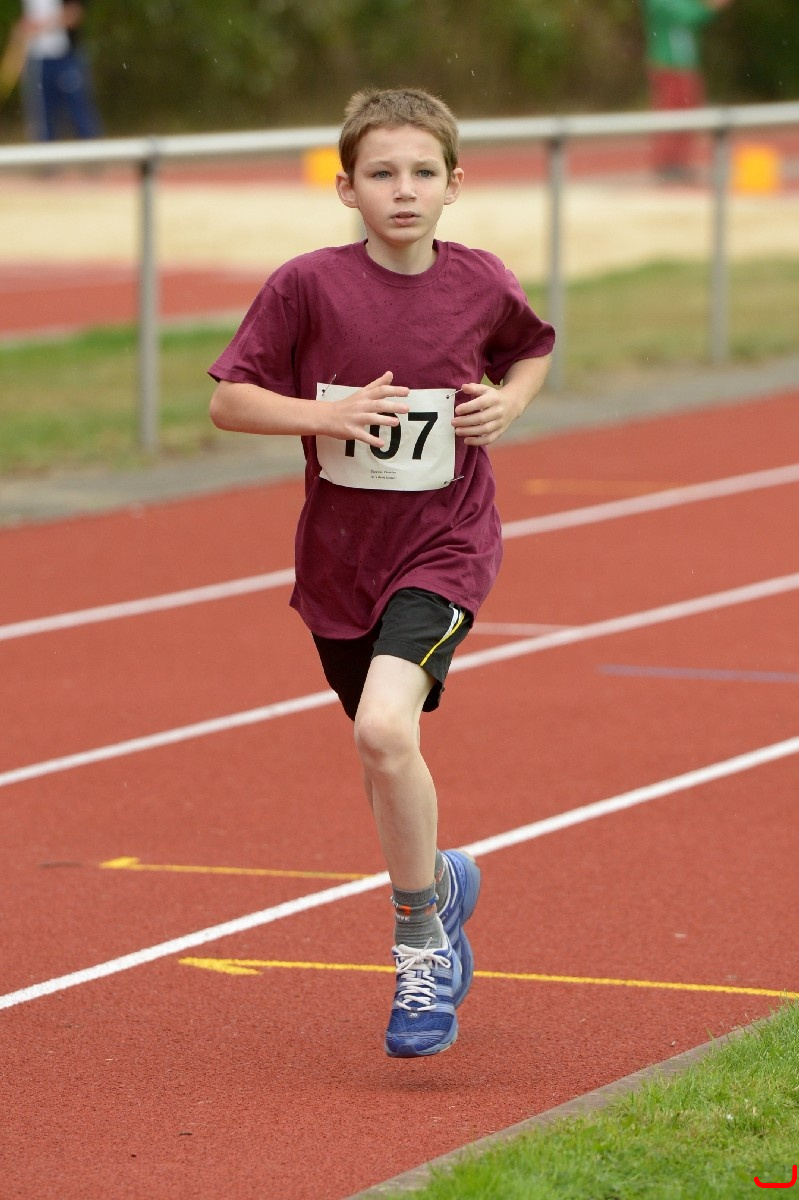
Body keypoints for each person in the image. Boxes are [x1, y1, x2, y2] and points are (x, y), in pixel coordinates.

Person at [208, 87, 554, 1058]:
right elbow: (231, 401)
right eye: (381, 173)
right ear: (345, 189)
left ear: (453, 184)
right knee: (381, 754)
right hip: (339, 561)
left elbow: (531, 349)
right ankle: (436, 881)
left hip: (444, 545)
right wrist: (322, 415)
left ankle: (419, 944)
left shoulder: (479, 281)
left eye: (421, 173)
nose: (403, 190)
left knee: (383, 729)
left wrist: (509, 402)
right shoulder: (305, 287)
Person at [642, 0, 732, 181]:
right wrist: (712, 6)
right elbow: (688, 16)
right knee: (671, 113)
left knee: (687, 113)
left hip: (684, 63)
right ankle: (666, 163)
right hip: (670, 63)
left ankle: (678, 162)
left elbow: (693, 12)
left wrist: (708, 7)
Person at [14, 0, 102, 141]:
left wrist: (40, 26)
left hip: (66, 57)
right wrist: (20, 60)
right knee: (42, 120)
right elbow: (25, 25)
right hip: (37, 61)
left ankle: (93, 151)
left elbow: (75, 14)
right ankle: (46, 154)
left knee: (80, 113)